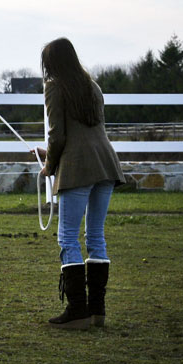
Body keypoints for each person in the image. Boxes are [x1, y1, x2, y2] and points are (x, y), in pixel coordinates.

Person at [33, 38, 124, 330]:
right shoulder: (92, 86)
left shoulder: (55, 87)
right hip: (106, 164)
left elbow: (57, 134)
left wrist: (49, 165)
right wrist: (52, 157)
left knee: (67, 237)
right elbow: (86, 132)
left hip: (77, 169)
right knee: (95, 236)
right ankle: (97, 311)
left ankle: (77, 310)